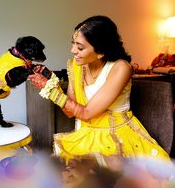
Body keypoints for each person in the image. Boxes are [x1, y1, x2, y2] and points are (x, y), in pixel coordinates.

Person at [28, 15, 170, 169]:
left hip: (117, 135)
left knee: (104, 182)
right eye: (73, 44)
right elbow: (70, 113)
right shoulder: (75, 66)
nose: (73, 50)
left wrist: (51, 92)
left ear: (101, 51)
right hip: (86, 133)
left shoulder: (120, 68)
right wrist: (51, 83)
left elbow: (87, 113)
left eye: (80, 47)